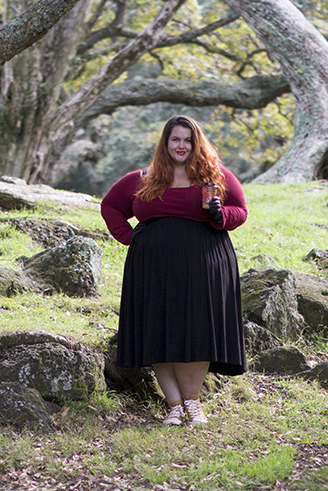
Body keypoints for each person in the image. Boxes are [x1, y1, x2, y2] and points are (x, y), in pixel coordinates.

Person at [101, 115, 248, 426]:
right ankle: (174, 406)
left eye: (187, 140)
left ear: (196, 144)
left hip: (204, 266)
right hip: (151, 267)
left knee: (197, 333)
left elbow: (241, 211)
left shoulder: (216, 177)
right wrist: (130, 238)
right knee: (159, 332)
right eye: (175, 139)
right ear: (165, 143)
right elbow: (110, 206)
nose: (181, 146)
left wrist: (220, 215)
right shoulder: (142, 178)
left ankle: (193, 405)